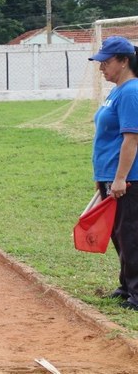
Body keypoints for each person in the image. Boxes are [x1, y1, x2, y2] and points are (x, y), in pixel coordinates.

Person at [89, 36, 138, 310]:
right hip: (110, 176)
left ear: (123, 61)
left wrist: (120, 178)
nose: (101, 68)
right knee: (119, 235)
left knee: (130, 234)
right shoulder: (117, 90)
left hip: (129, 179)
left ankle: (137, 294)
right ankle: (126, 285)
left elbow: (132, 139)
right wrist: (105, 178)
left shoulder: (131, 91)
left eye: (106, 63)